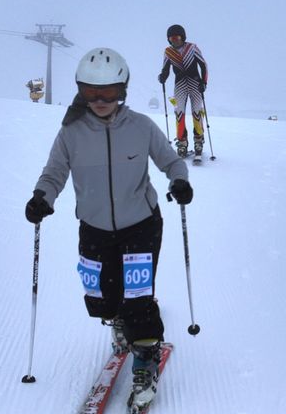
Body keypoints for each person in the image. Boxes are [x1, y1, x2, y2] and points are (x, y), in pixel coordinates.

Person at [25, 47, 192, 410]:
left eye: (109, 93)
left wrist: (179, 181)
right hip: (95, 226)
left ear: (123, 91)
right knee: (102, 297)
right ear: (81, 91)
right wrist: (42, 197)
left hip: (141, 225)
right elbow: (55, 172)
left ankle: (145, 361)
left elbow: (170, 160)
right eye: (90, 93)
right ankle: (117, 319)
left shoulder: (141, 127)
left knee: (138, 300)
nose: (100, 100)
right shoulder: (71, 132)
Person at [158, 24, 209, 158]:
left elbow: (203, 65)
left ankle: (199, 140)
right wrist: (162, 76)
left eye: (177, 37)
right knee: (179, 112)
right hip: (180, 85)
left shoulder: (192, 48)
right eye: (171, 38)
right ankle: (182, 143)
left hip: (195, 83)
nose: (175, 40)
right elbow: (165, 69)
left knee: (196, 111)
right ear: (168, 39)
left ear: (182, 37)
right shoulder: (168, 52)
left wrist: (204, 82)